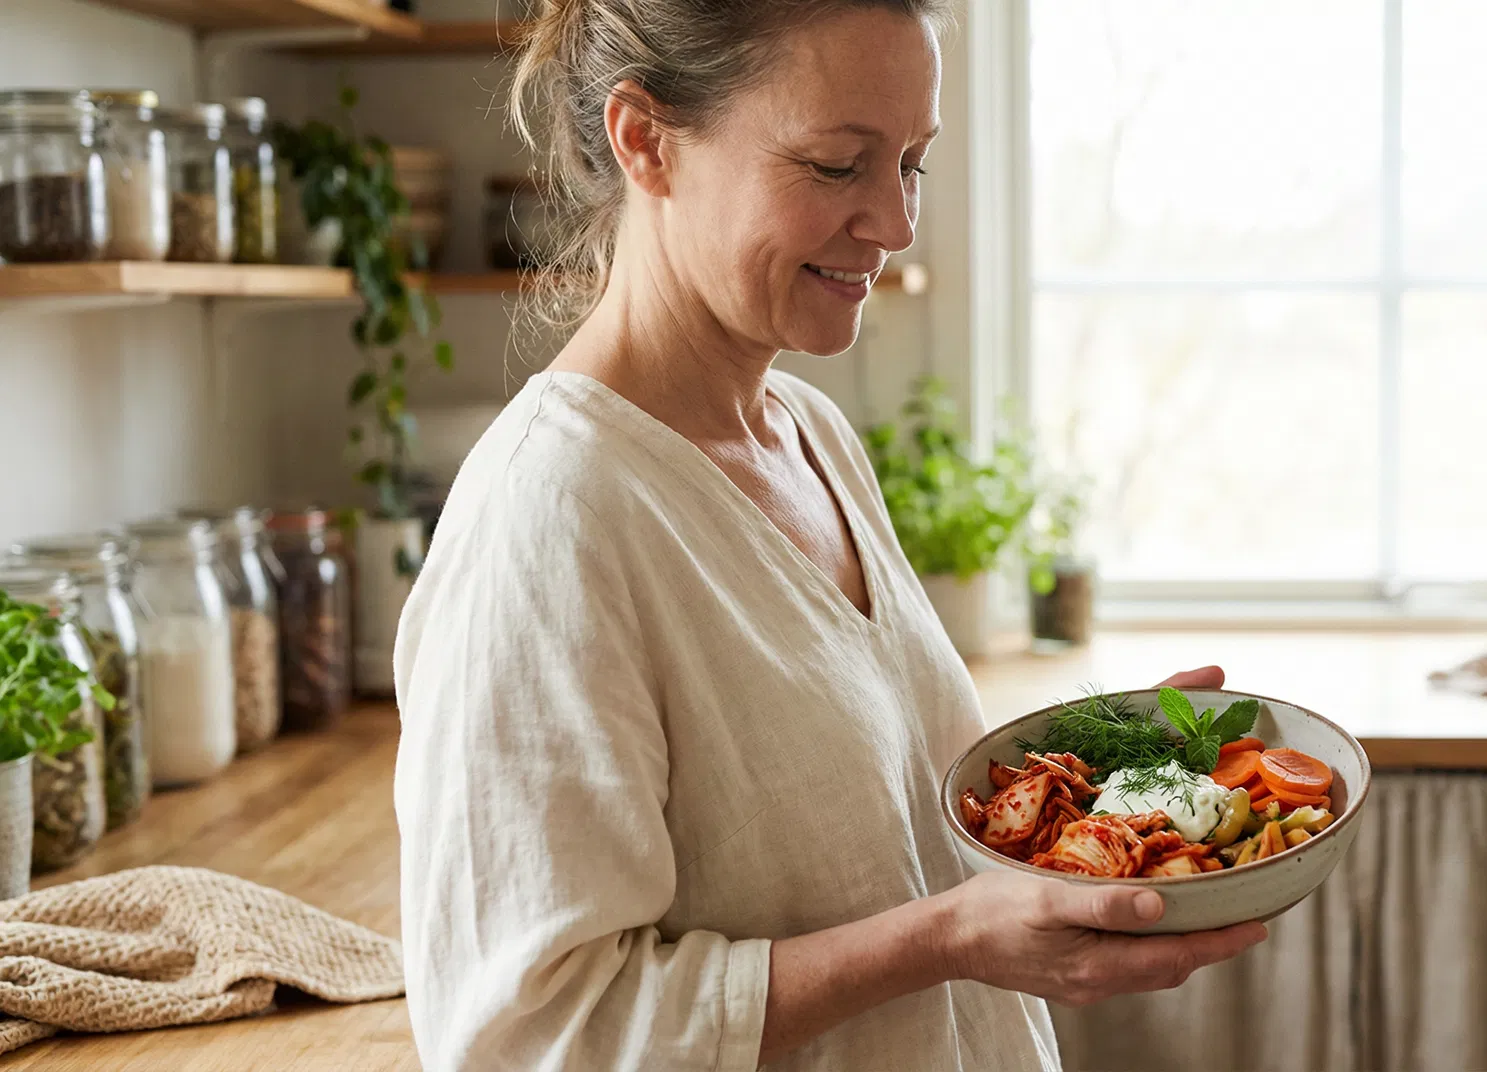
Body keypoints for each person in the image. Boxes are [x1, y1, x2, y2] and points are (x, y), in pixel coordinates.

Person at [391, 1, 1269, 1068]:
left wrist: (1098, 775)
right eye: (837, 165)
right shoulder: (552, 517)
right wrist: (947, 937)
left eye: (912, 165)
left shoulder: (811, 436)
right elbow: (537, 1038)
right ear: (645, 141)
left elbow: (881, 823)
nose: (897, 224)